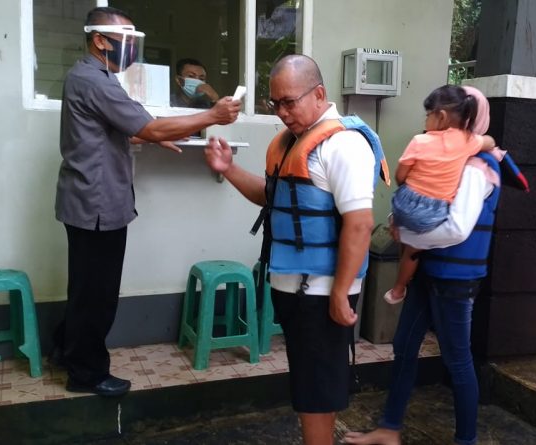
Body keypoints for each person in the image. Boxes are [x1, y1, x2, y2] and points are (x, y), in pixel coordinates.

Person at [53, 6, 241, 397]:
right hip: (96, 204)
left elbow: (122, 129)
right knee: (97, 295)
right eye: (123, 39)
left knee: (85, 288)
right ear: (99, 40)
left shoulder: (94, 77)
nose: (129, 48)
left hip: (89, 200)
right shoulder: (94, 80)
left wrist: (153, 135)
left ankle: (66, 352)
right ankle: (85, 374)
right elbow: (148, 126)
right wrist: (211, 115)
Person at [203, 54, 389, 445]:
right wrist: (229, 168)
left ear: (319, 94)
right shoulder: (292, 142)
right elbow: (273, 197)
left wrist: (340, 293)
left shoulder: (343, 145)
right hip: (291, 286)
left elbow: (359, 224)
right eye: (275, 104)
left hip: (321, 292)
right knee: (312, 383)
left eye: (290, 102)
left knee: (316, 389)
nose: (282, 112)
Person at [344, 87, 519, 445]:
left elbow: (457, 228)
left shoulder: (478, 167)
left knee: (457, 360)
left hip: (455, 278)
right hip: (429, 269)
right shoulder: (451, 159)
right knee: (404, 346)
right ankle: (389, 428)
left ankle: (466, 440)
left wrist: (406, 236)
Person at [384, 85, 495, 304]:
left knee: (409, 246)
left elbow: (399, 176)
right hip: (436, 215)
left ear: (441, 117)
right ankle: (399, 289)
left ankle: (398, 287)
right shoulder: (469, 144)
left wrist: (402, 226)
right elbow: (489, 142)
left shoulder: (421, 142)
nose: (425, 121)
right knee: (414, 246)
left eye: (427, 115)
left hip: (409, 210)